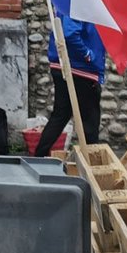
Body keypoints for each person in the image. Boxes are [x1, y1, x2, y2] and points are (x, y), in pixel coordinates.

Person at [32, 13, 104, 156]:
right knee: (89, 120)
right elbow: (70, 33)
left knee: (61, 115)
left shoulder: (69, 1)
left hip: (68, 66)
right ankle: (92, 161)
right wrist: (88, 54)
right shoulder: (78, 3)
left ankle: (39, 154)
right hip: (80, 68)